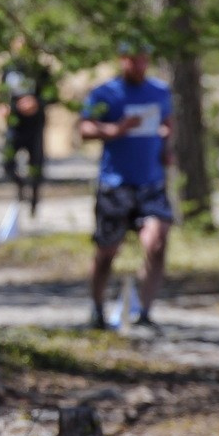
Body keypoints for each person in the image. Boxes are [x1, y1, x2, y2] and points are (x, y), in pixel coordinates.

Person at [78, 42, 174, 330]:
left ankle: (144, 313)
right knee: (107, 251)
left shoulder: (159, 91)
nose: (139, 66)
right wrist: (115, 130)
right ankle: (97, 308)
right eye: (133, 60)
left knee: (156, 242)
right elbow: (84, 128)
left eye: (143, 60)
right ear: (122, 61)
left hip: (151, 182)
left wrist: (167, 145)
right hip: (115, 184)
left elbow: (168, 122)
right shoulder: (106, 93)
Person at [0, 35, 56, 215]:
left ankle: (34, 201)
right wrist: (3, 106)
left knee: (36, 164)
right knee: (7, 163)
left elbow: (51, 96)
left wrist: (36, 103)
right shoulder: (9, 69)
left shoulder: (40, 71)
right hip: (15, 123)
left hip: (35, 124)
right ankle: (19, 185)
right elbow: (3, 94)